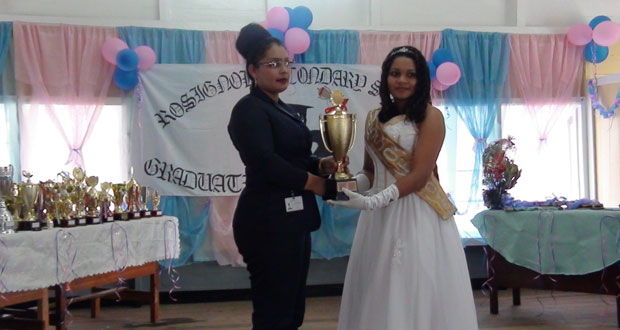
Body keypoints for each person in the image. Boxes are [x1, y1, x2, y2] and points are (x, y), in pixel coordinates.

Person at [329, 45, 479, 330]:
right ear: (386, 78)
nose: (402, 80)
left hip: (417, 212)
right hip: (379, 218)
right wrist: (348, 186)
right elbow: (370, 172)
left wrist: (371, 202)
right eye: (396, 73)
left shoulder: (430, 116)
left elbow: (421, 175)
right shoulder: (373, 118)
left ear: (421, 79)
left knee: (413, 284)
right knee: (379, 285)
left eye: (410, 75)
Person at [227, 23, 341, 330]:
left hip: (293, 220)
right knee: (273, 313)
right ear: (252, 69)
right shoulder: (248, 110)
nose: (283, 70)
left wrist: (321, 166)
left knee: (291, 310)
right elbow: (265, 162)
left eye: (286, 63)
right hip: (266, 222)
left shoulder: (282, 108)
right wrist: (314, 183)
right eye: (273, 64)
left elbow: (296, 156)